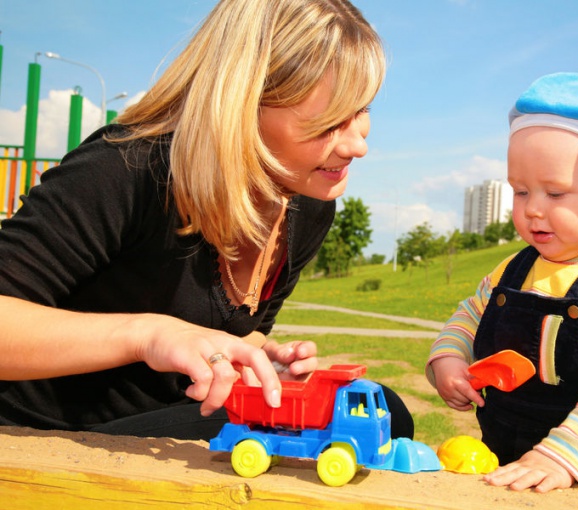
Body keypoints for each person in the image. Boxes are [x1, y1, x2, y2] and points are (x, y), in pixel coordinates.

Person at [0, 0, 414, 441]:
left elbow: (227, 332)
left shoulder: (310, 205)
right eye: (330, 122)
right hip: (37, 433)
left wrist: (259, 358)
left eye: (363, 111)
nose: (357, 146)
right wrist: (147, 334)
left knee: (380, 412)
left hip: (157, 420)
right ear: (243, 102)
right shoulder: (127, 170)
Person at [426, 72, 578, 492]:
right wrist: (448, 361)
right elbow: (469, 318)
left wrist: (563, 454)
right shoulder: (513, 271)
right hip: (506, 469)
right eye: (521, 192)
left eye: (555, 194)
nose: (534, 210)